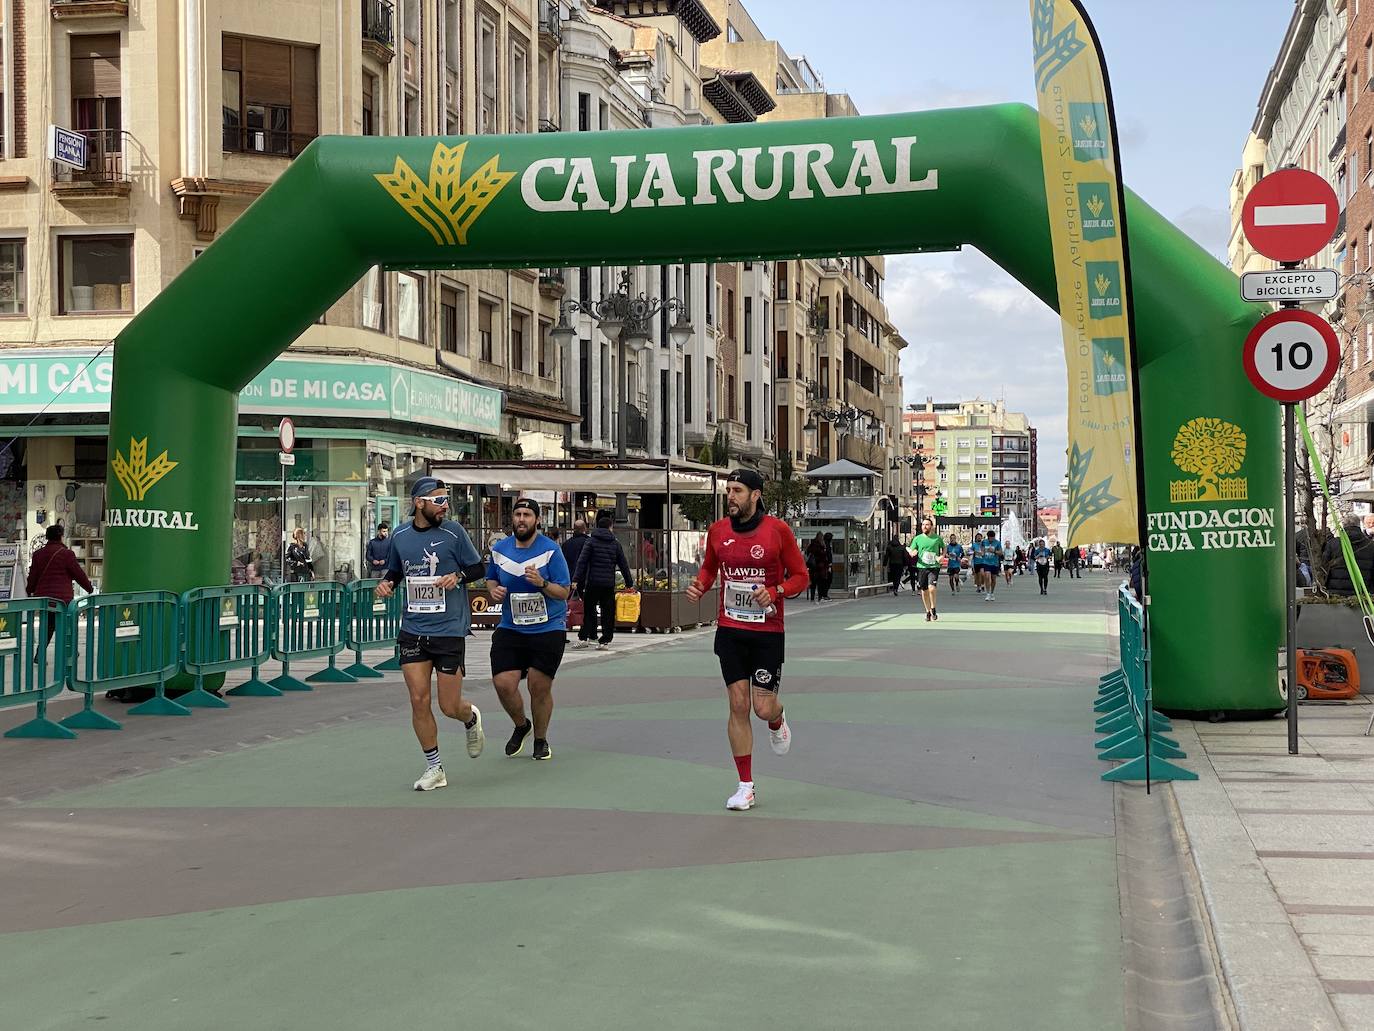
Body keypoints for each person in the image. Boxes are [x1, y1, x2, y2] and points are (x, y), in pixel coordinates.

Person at [685, 469, 809, 811]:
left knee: (762, 706)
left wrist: (776, 591)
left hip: (767, 632)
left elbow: (801, 576)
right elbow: (711, 568)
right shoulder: (718, 531)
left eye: (738, 490)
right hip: (730, 630)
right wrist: (700, 584)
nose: (731, 497)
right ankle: (745, 785)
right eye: (728, 491)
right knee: (738, 705)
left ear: (756, 494)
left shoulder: (778, 531)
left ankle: (778, 718)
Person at [375, 477, 488, 791]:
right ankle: (434, 767)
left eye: (446, 499)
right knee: (418, 699)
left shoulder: (454, 532)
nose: (445, 506)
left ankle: (470, 717)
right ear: (419, 502)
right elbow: (396, 571)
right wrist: (387, 584)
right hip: (413, 628)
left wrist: (458, 576)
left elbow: (480, 568)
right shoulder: (399, 535)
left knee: (448, 706)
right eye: (439, 500)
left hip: (449, 629)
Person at [486, 499, 572, 762]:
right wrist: (493, 590)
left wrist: (542, 583)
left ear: (537, 520)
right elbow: (491, 577)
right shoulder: (500, 550)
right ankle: (522, 725)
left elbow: (564, 592)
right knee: (503, 683)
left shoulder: (550, 551)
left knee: (538, 685)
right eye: (518, 514)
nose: (521, 519)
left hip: (548, 628)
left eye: (527, 515)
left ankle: (541, 739)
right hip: (511, 627)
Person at [27, 524, 94, 661]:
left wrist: (30, 590)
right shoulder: (67, 554)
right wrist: (89, 588)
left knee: (48, 627)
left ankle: (40, 654)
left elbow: (33, 576)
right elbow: (78, 574)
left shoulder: (38, 555)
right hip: (62, 599)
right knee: (66, 626)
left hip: (44, 598)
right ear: (61, 537)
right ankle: (70, 652)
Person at [572, 510, 634, 650]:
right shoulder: (615, 544)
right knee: (608, 612)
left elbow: (582, 561)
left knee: (589, 610)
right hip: (608, 583)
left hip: (593, 582)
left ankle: (584, 637)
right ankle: (604, 640)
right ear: (610, 527)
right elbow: (623, 564)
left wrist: (576, 579)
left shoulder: (590, 541)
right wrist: (629, 582)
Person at [908, 517, 944, 621]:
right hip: (922, 567)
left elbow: (944, 547)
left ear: (931, 527)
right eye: (923, 525)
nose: (925, 526)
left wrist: (942, 556)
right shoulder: (917, 538)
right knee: (924, 591)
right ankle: (927, 611)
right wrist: (912, 553)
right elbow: (912, 550)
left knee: (932, 588)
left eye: (927, 524)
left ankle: (933, 608)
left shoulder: (937, 538)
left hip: (934, 567)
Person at [980, 530, 1004, 601]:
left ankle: (992, 593)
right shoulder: (984, 542)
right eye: (990, 538)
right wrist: (982, 552)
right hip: (986, 562)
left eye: (992, 538)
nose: (991, 539)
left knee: (993, 579)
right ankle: (987, 593)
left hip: (994, 563)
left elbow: (1000, 553)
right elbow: (982, 549)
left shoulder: (997, 543)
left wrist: (994, 551)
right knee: (987, 576)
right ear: (988, 537)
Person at [805, 532, 828, 602]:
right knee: (820, 583)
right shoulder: (821, 545)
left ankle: (812, 597)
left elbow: (807, 552)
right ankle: (820, 597)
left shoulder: (812, 544)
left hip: (812, 566)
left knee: (813, 583)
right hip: (820, 566)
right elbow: (823, 556)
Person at [820, 532, 835, 600]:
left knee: (824, 580)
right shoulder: (827, 545)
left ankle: (823, 594)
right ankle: (824, 595)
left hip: (821, 566)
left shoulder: (822, 544)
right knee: (828, 580)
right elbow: (828, 556)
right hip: (826, 566)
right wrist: (829, 565)